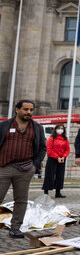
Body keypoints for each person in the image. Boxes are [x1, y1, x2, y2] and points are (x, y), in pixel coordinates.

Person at [0, 100, 46, 238]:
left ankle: (15, 228)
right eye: (26, 109)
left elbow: (43, 148)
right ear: (17, 109)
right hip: (4, 167)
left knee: (21, 200)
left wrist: (35, 165)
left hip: (25, 169)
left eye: (31, 110)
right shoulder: (4, 126)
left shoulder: (37, 127)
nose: (29, 112)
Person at [43, 124, 70, 198]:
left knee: (60, 175)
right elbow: (49, 150)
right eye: (59, 128)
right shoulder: (51, 138)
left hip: (62, 159)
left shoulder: (65, 139)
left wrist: (63, 157)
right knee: (49, 175)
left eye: (62, 128)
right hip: (52, 159)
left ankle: (58, 192)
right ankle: (46, 193)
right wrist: (57, 157)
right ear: (55, 129)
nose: (60, 130)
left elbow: (67, 149)